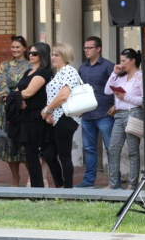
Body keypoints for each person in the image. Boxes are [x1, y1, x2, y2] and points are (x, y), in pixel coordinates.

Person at [75, 36, 116, 189]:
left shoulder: (108, 66)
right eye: (85, 48)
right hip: (87, 115)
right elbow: (78, 90)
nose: (86, 50)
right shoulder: (82, 68)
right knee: (89, 149)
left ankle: (114, 181)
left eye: (89, 48)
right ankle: (88, 181)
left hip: (105, 114)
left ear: (98, 49)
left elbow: (118, 87)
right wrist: (79, 108)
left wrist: (116, 105)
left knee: (111, 148)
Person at [41, 43, 81, 188]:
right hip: (55, 118)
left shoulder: (69, 71)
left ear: (65, 56)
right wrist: (49, 113)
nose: (53, 57)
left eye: (56, 55)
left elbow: (63, 96)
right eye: (52, 54)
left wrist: (46, 110)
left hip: (66, 117)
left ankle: (68, 188)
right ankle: (60, 185)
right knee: (49, 154)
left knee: (64, 156)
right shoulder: (59, 72)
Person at [0, 35, 31, 187]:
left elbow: (31, 86)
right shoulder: (5, 65)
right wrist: (11, 97)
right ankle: (15, 178)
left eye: (18, 47)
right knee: (9, 143)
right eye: (13, 47)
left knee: (26, 144)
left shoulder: (31, 65)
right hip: (7, 108)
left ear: (24, 48)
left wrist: (20, 97)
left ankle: (33, 178)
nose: (15, 50)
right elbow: (2, 83)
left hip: (24, 107)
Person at [104, 48, 143, 190]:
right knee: (113, 148)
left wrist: (125, 97)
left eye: (124, 61)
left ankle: (133, 185)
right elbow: (107, 91)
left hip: (133, 113)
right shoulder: (120, 76)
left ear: (133, 61)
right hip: (119, 114)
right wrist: (114, 73)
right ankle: (113, 183)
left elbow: (144, 100)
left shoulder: (140, 76)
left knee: (133, 150)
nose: (121, 64)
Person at [17, 43, 53, 188]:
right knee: (29, 153)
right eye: (30, 53)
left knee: (33, 153)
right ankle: (36, 186)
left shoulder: (44, 72)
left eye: (34, 54)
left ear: (42, 55)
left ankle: (37, 187)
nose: (30, 56)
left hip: (36, 116)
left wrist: (16, 96)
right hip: (25, 115)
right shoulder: (28, 72)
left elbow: (29, 92)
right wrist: (20, 99)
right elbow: (21, 90)